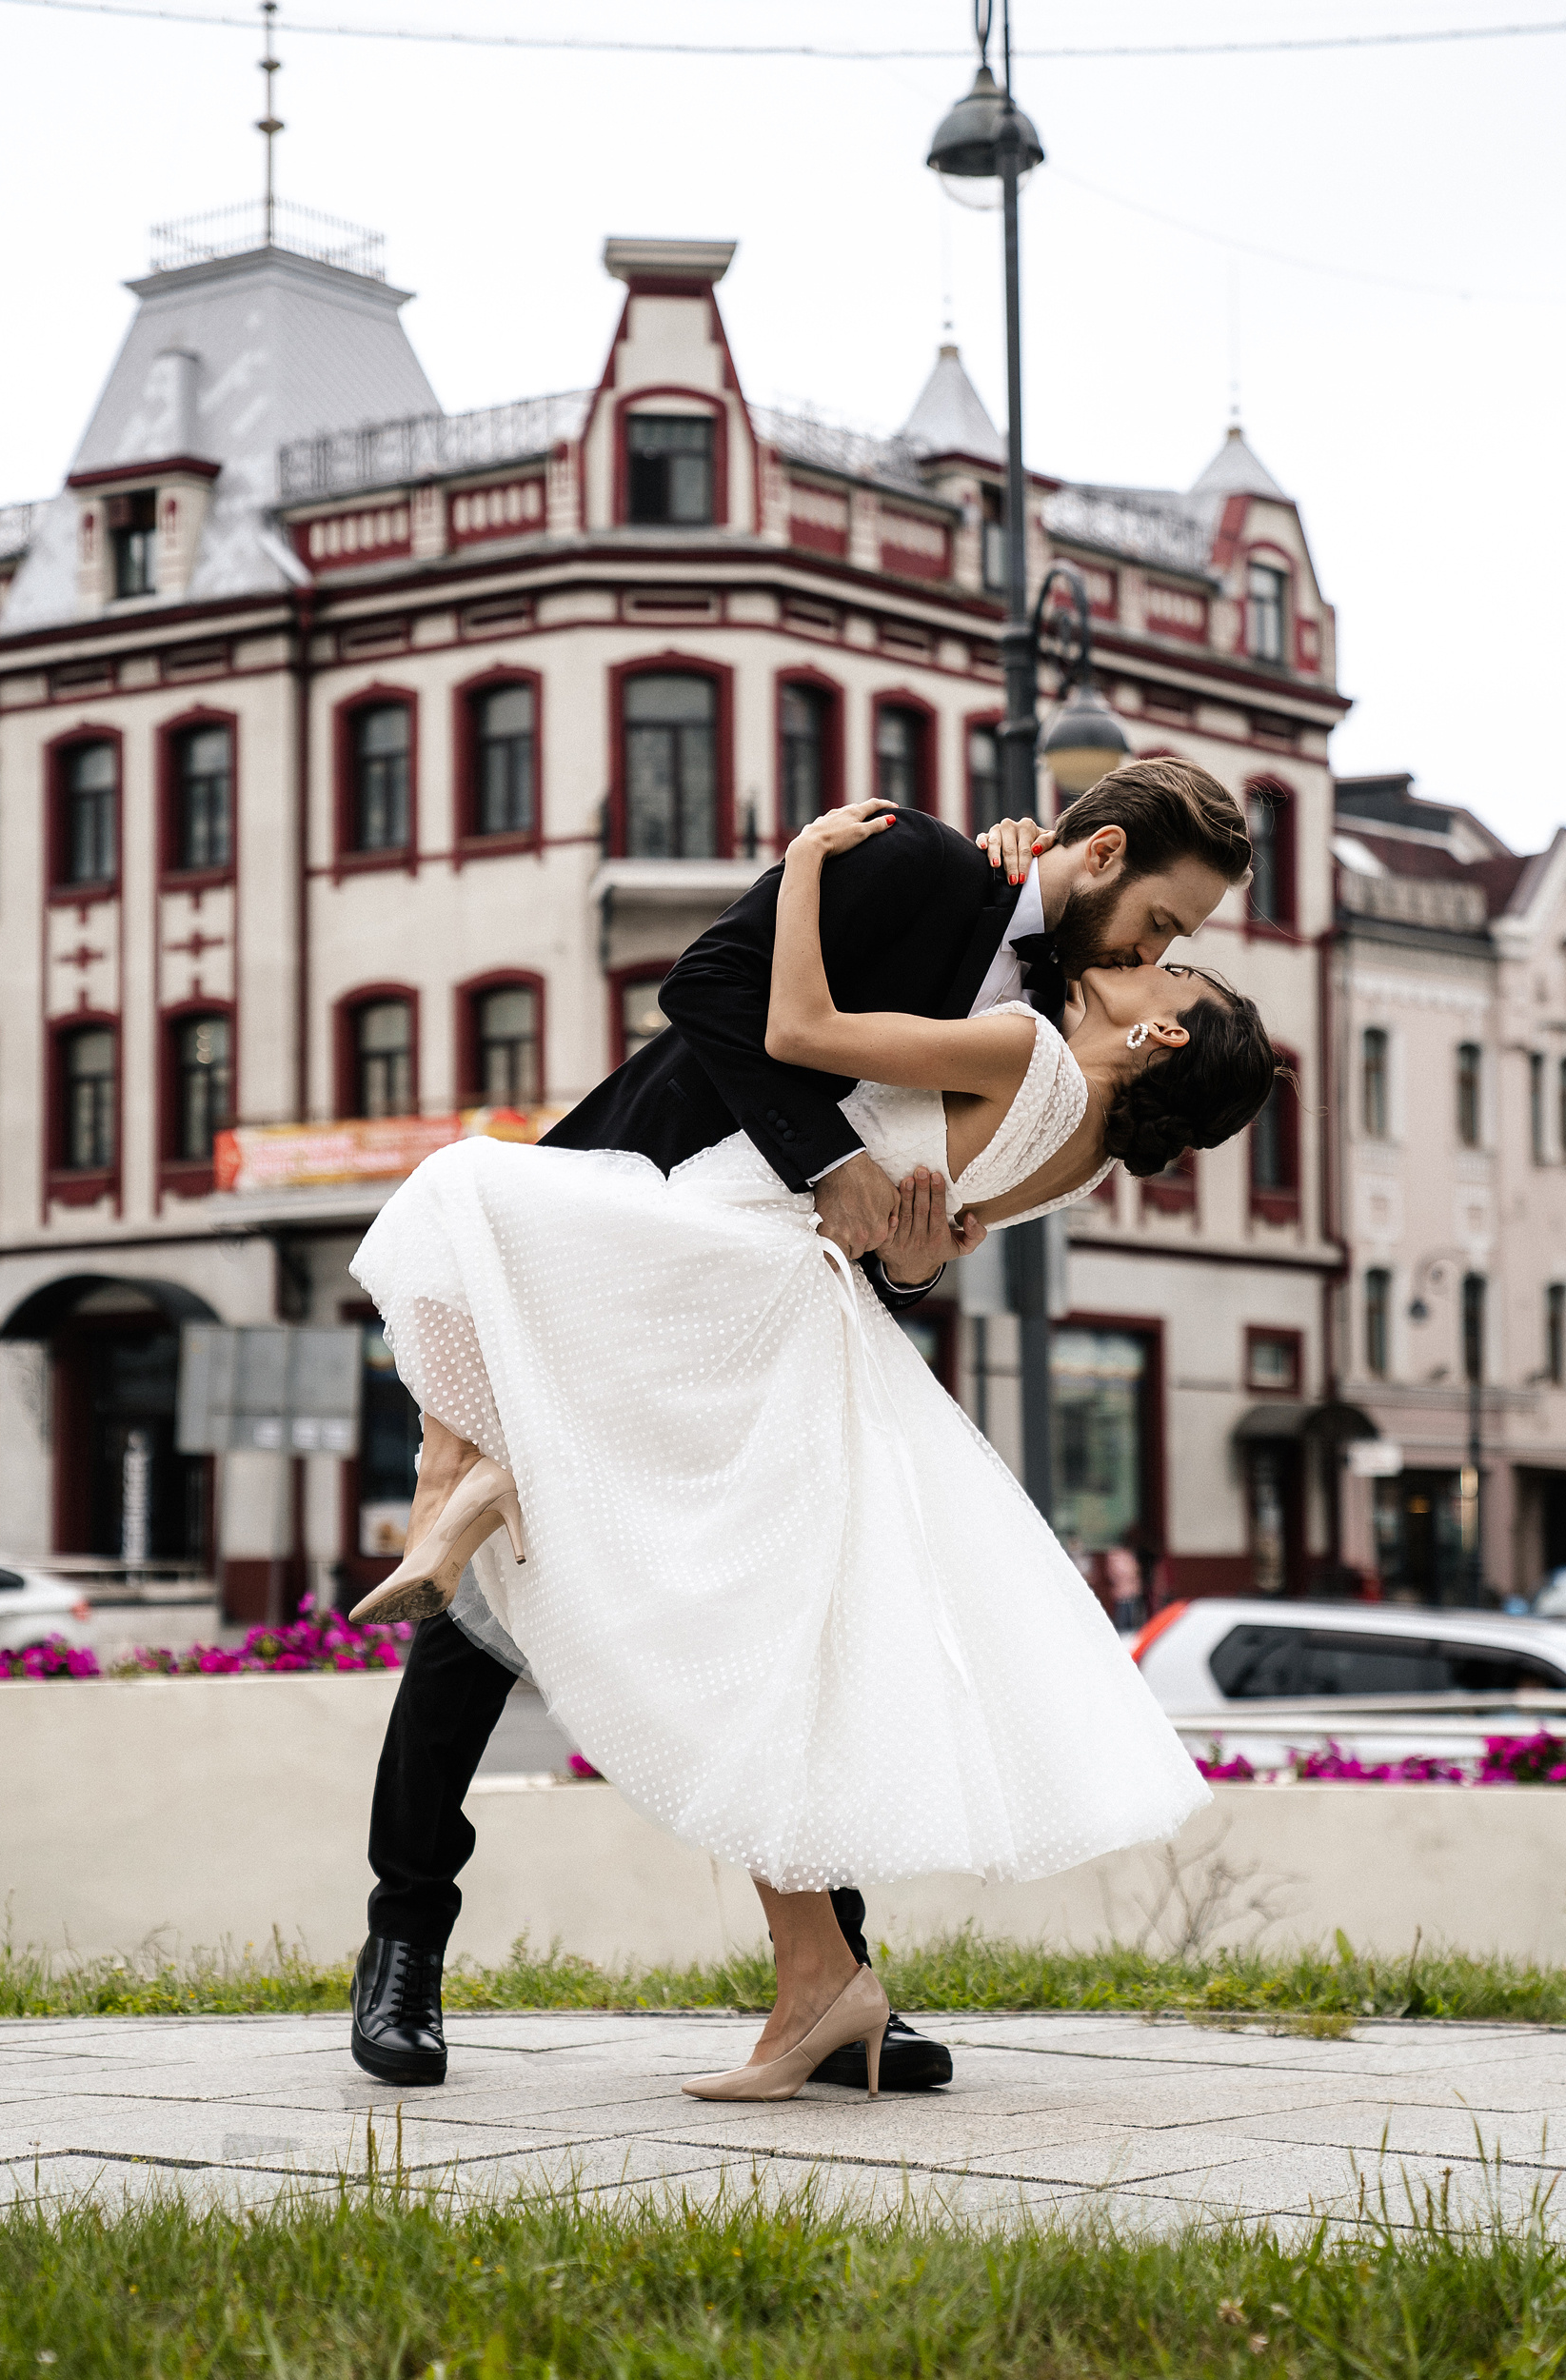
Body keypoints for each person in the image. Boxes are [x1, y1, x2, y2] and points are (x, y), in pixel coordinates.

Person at [348, 763, 1279, 2101]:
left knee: (792, 1624)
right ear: (1107, 853)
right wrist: (829, 1170)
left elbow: (929, 1232)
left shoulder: (1048, 1020)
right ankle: (404, 1956)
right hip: (641, 1202)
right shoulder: (924, 867)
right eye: (1164, 926)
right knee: (483, 1630)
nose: (1158, 953)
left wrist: (899, 1247)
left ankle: (837, 1982)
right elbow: (711, 997)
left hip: (762, 1282)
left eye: (1175, 953)